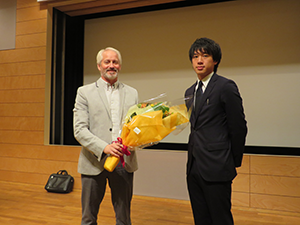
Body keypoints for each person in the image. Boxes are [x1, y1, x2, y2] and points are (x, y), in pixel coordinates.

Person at [184, 38, 247, 225]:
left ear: (216, 60)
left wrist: (232, 161)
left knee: (221, 218)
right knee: (201, 218)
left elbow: (239, 127)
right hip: (194, 165)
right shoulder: (189, 91)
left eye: (205, 55)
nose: (199, 61)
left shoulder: (225, 86)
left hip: (218, 165)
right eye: (195, 57)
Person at [73, 47, 138, 225]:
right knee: (88, 217)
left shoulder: (132, 93)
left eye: (115, 62)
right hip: (93, 161)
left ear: (120, 65)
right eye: (107, 62)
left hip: (123, 162)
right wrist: (104, 147)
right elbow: (79, 129)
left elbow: (136, 126)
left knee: (124, 218)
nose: (111, 65)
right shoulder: (84, 92)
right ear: (99, 66)